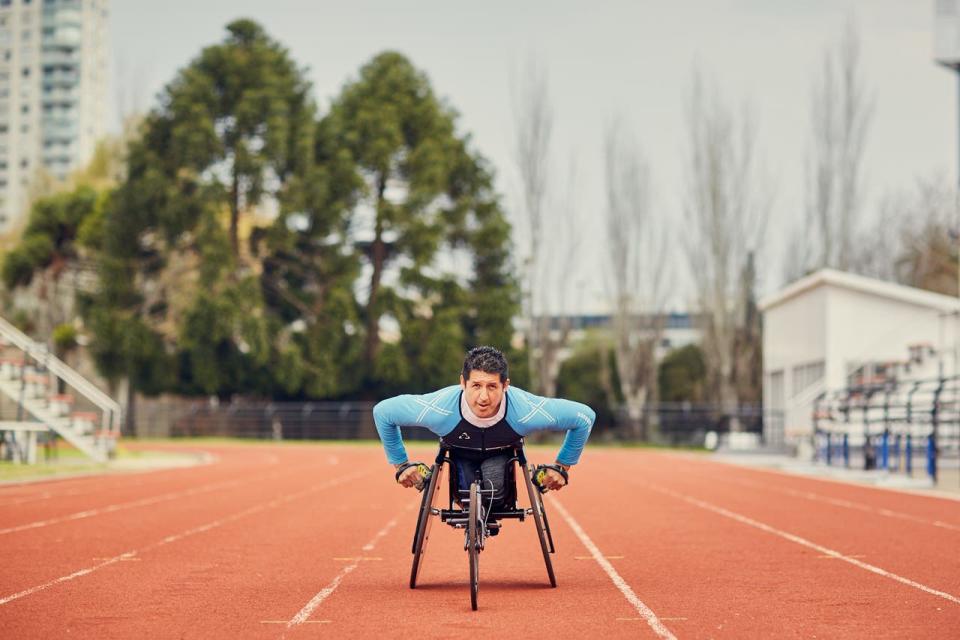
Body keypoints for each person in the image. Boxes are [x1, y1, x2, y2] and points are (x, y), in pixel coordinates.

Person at [373, 346, 595, 511]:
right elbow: (383, 412)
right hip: (459, 453)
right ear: (463, 383)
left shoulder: (526, 412)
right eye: (476, 386)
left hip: (503, 454)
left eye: (492, 387)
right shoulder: (438, 409)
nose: (483, 397)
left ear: (506, 386)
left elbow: (584, 417)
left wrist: (562, 467)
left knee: (495, 495)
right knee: (465, 496)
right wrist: (401, 465)